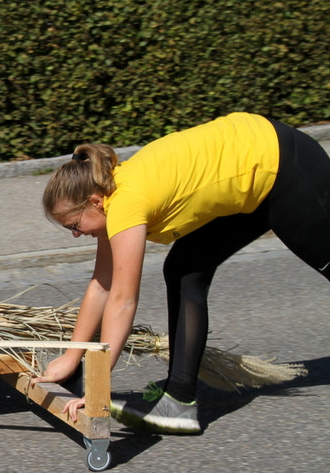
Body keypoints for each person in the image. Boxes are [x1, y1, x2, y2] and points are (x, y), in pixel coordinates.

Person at [31, 112, 330, 433]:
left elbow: (122, 300)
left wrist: (97, 386)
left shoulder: (126, 204)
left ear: (94, 202)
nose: (77, 235)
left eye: (75, 226)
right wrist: (71, 357)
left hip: (285, 166)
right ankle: (179, 401)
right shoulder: (108, 195)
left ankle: (179, 399)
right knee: (185, 269)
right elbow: (101, 285)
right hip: (253, 166)